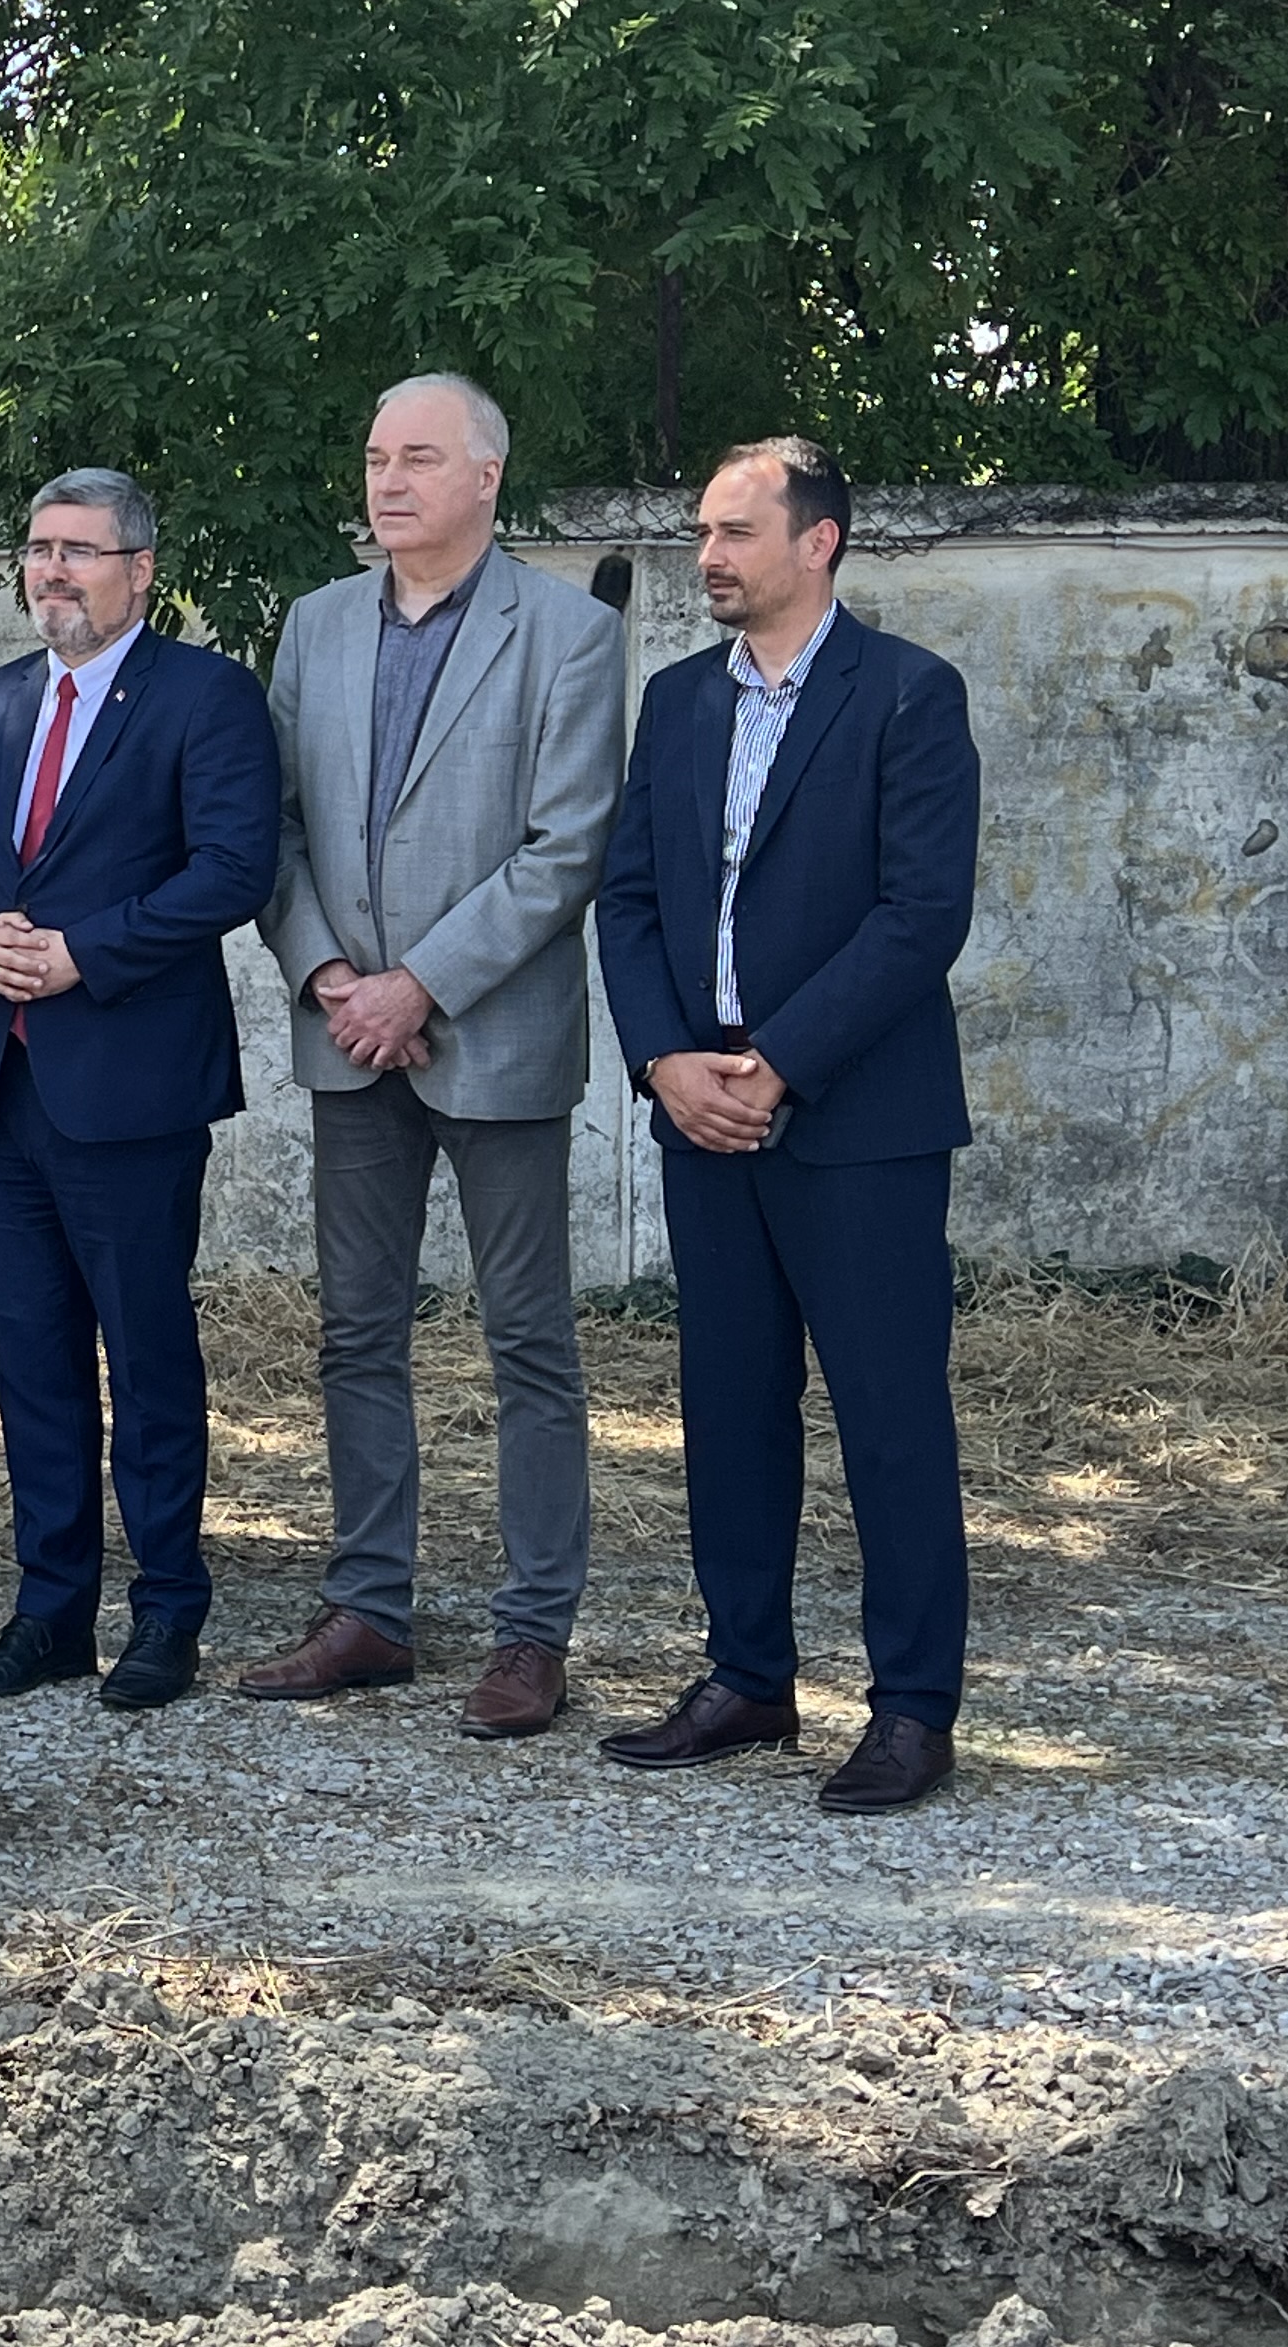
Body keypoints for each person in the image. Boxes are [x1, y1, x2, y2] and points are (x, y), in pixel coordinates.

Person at [595, 436, 982, 1815]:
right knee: (730, 1408)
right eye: (703, 531)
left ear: (819, 542)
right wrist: (665, 1062)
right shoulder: (679, 700)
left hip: (857, 1122)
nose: (707, 555)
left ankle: (913, 1710)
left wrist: (780, 1065)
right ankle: (748, 1677)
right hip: (700, 1113)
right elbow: (629, 899)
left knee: (889, 1416)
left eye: (735, 532)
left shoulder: (908, 695)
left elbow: (921, 916)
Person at [246, 376, 626, 1740]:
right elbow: (273, 825)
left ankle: (533, 1634)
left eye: (418, 457)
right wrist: (330, 977)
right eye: (374, 456)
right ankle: (370, 1610)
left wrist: (421, 986)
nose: (388, 481)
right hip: (348, 1032)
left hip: (494, 1037)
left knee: (528, 1341)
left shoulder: (569, 633)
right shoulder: (316, 625)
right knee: (356, 1332)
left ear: (486, 478)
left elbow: (567, 849)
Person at [0, 467, 278, 1713]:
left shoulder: (205, 697)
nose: (52, 569)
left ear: (140, 571)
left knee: (147, 1357)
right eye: (39, 548)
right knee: (31, 1361)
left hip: (131, 1085)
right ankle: (50, 1610)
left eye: (79, 550)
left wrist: (85, 952)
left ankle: (167, 1609)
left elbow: (233, 868)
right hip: (2, 1086)